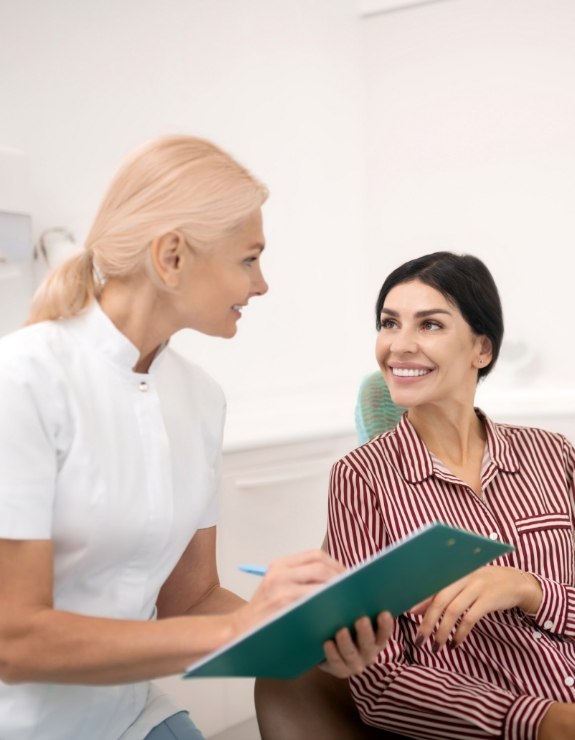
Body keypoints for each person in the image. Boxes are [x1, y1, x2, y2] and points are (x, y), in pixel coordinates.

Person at [0, 135, 394, 740]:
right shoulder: (24, 379)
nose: (261, 284)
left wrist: (313, 632)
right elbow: (14, 640)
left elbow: (191, 600)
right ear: (172, 257)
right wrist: (242, 629)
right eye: (249, 258)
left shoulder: (200, 398)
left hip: (129, 716)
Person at [326, 251, 575, 739]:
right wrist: (541, 722)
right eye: (389, 323)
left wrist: (531, 590)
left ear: (482, 349)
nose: (399, 345)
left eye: (430, 326)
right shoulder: (361, 478)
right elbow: (380, 683)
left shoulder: (553, 453)